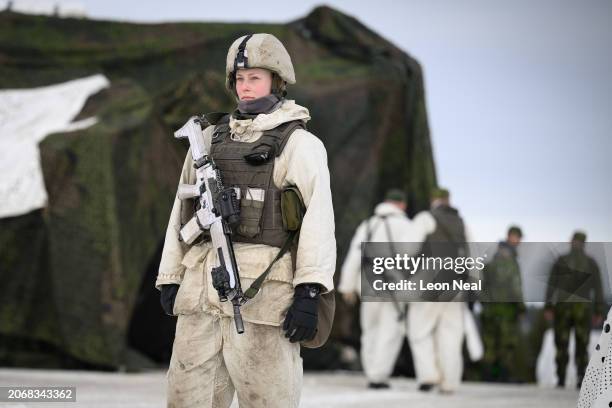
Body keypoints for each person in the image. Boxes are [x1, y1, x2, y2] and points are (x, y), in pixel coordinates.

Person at [155, 33, 336, 408]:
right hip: (200, 298)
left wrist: (310, 290)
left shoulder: (299, 145)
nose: (245, 87)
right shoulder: (205, 141)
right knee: (187, 400)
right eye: (239, 79)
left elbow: (319, 220)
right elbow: (181, 211)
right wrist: (170, 276)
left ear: (277, 81)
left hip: (264, 301)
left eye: (255, 77)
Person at [338, 188, 435, 389]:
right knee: (390, 331)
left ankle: (372, 371)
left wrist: (347, 285)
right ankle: (378, 376)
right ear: (402, 205)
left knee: (369, 330)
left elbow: (355, 256)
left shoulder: (369, 225)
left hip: (368, 285)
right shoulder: (407, 225)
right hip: (395, 287)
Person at [408, 188, 468, 393]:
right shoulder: (461, 222)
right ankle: (450, 382)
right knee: (451, 334)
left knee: (419, 330)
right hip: (456, 285)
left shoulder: (425, 218)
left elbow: (408, 248)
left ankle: (429, 376)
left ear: (433, 200)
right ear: (448, 200)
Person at [545, 231, 604, 389]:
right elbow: (598, 288)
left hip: (564, 308)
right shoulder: (590, 263)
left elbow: (551, 286)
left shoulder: (562, 261)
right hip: (581, 310)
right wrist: (599, 310)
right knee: (581, 344)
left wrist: (549, 306)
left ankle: (563, 377)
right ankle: (579, 376)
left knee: (563, 343)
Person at [480, 225, 526, 382]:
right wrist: (521, 307)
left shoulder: (491, 262)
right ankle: (502, 376)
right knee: (505, 345)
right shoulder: (511, 262)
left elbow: (481, 288)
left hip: (489, 310)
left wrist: (485, 304)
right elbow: (516, 287)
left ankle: (490, 376)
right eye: (517, 238)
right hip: (507, 310)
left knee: (490, 344)